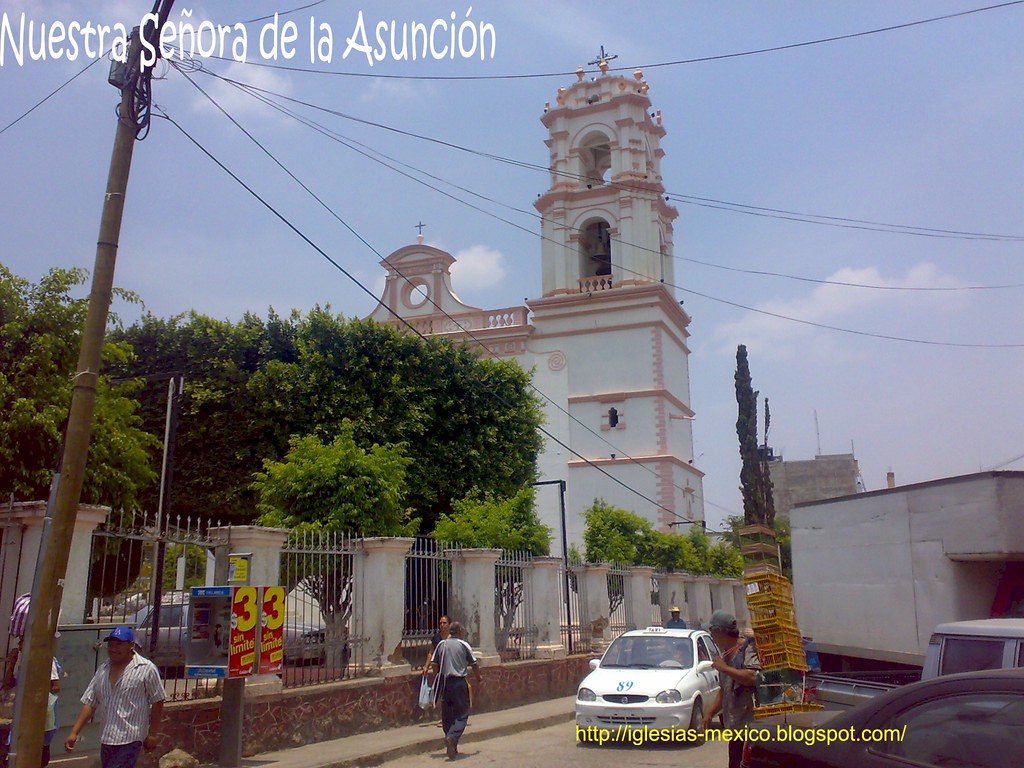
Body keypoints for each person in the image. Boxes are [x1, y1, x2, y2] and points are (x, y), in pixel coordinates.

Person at [65, 627, 165, 768]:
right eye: (111, 644)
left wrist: (153, 734)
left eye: (119, 644)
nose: (113, 649)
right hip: (107, 738)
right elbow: (90, 702)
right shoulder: (103, 670)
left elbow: (158, 701)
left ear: (131, 646)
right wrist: (74, 732)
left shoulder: (146, 669)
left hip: (131, 738)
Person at [702, 610, 760, 768]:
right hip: (735, 729)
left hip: (751, 729)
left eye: (711, 631)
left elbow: (753, 677)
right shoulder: (725, 654)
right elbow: (725, 689)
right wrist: (710, 713)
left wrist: (724, 668)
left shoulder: (747, 649)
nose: (711, 635)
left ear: (719, 631)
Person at [429, 621, 479, 760]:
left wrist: (438, 677)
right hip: (459, 683)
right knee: (462, 714)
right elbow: (474, 663)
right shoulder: (464, 645)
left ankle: (451, 744)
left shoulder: (441, 644)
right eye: (463, 631)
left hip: (445, 683)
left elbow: (434, 664)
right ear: (460, 632)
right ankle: (453, 737)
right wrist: (479, 678)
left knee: (447, 715)